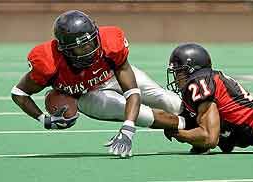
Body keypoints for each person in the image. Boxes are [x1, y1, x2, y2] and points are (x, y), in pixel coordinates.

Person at [10, 10, 185, 158]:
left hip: (112, 76)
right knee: (143, 115)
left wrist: (128, 128)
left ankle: (200, 119)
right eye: (81, 48)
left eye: (91, 42)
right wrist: (43, 119)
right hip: (88, 96)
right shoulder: (49, 64)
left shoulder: (110, 44)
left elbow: (132, 92)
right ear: (65, 49)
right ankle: (191, 128)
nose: (90, 50)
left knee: (171, 102)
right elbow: (19, 93)